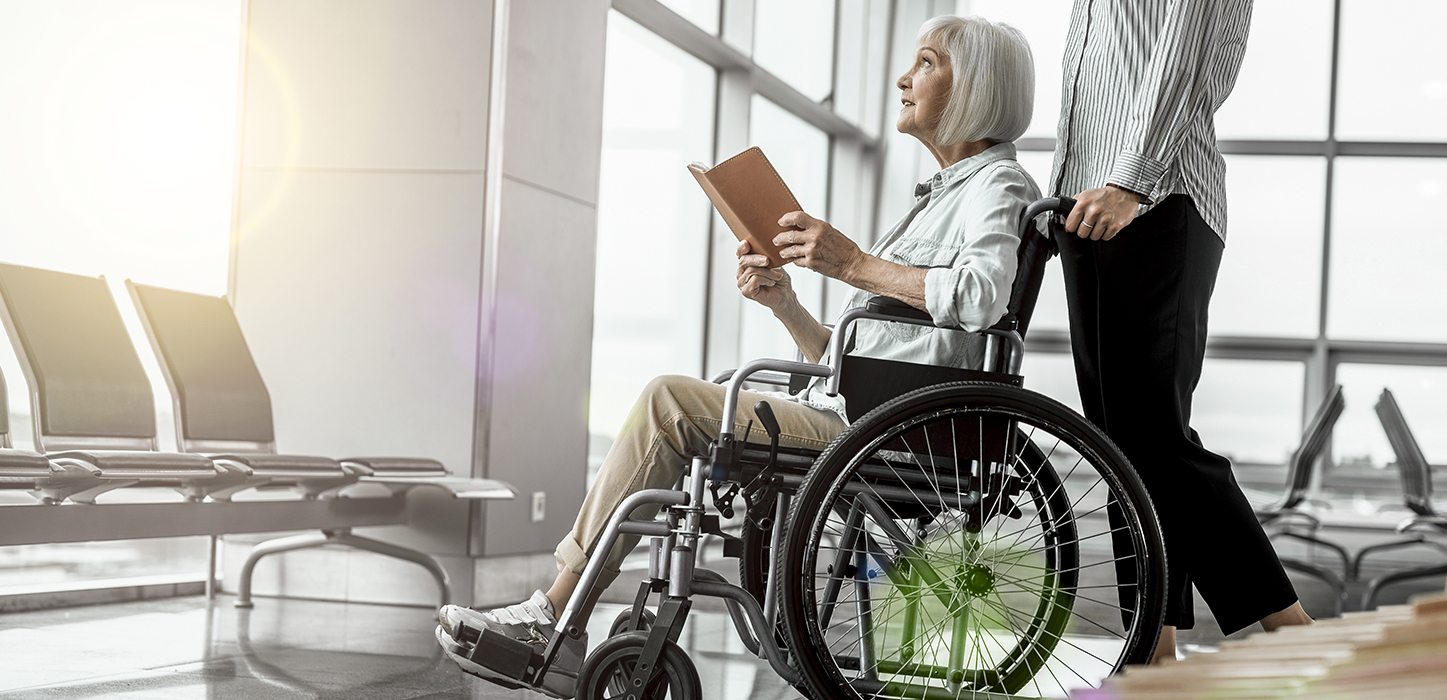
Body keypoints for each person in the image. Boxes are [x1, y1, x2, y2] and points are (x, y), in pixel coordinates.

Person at [438, 14, 1039, 695]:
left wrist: (851, 264)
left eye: (925, 64)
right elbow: (849, 359)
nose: (904, 78)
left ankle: (554, 616)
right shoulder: (943, 197)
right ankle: (560, 616)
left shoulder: (998, 187)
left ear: (975, 88)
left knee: (670, 401)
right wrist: (785, 303)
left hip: (890, 432)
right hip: (865, 412)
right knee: (687, 405)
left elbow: (981, 297)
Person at [1049, 0, 1311, 664]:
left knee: (1153, 435)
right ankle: (1155, 642)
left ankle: (1295, 632)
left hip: (1154, 195)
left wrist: (1127, 182)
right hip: (1085, 201)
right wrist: (1063, 189)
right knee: (1118, 445)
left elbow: (1179, 58)